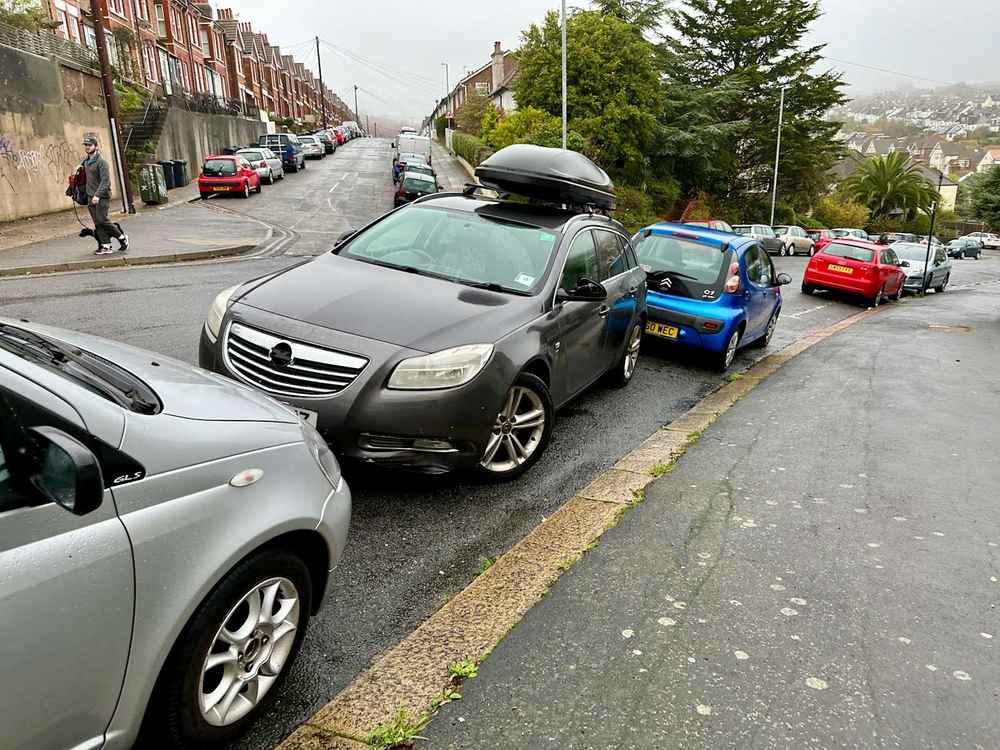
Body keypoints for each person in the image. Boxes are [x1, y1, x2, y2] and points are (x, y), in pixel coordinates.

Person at [82, 134, 128, 256]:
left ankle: (122, 237)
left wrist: (97, 195)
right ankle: (106, 245)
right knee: (97, 222)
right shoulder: (86, 162)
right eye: (85, 145)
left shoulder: (102, 162)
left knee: (102, 219)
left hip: (101, 196)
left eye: (89, 145)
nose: (87, 147)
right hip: (90, 196)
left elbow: (105, 181)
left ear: (96, 147)